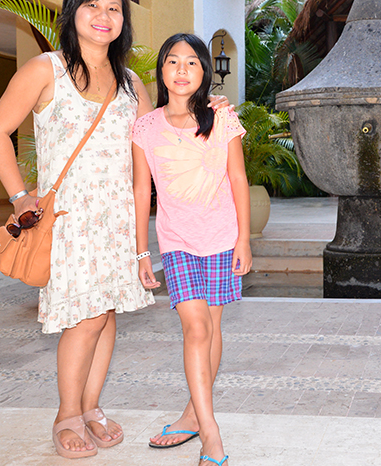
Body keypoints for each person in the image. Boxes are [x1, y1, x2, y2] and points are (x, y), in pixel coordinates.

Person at [0, 0, 229, 459]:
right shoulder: (44, 70)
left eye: (114, 9)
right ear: (72, 12)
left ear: (123, 20)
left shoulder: (131, 83)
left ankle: (90, 406)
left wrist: (208, 107)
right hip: (72, 220)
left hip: (119, 220)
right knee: (84, 318)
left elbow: (162, 130)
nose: (103, 16)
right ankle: (66, 415)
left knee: (106, 313)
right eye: (92, 6)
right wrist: (17, 197)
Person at [132, 32, 252, 466]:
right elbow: (140, 190)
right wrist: (143, 253)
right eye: (172, 62)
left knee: (212, 329)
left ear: (204, 72)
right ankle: (211, 433)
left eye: (191, 63)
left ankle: (193, 414)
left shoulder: (222, 119)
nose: (181, 71)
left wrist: (243, 239)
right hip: (178, 242)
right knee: (196, 329)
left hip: (220, 239)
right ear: (161, 71)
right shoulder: (145, 127)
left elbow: (238, 179)